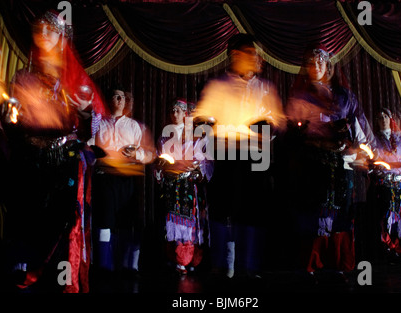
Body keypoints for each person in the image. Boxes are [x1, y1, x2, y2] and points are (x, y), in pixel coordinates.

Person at [1, 10, 105, 293]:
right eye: (40, 30)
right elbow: (12, 123)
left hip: (62, 163)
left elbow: (92, 126)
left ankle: (55, 280)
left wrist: (83, 114)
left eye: (51, 31)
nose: (43, 36)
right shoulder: (23, 77)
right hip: (28, 159)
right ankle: (23, 275)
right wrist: (9, 116)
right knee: (24, 221)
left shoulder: (75, 81)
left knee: (59, 223)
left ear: (62, 39)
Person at [193, 33, 286, 279]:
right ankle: (221, 266)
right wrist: (208, 124)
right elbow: (201, 118)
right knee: (223, 210)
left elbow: (279, 121)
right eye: (253, 54)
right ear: (236, 55)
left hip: (256, 157)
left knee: (253, 213)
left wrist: (268, 126)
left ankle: (249, 266)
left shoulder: (266, 88)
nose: (259, 60)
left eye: (259, 55)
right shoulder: (218, 86)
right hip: (227, 156)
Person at [285, 44, 374, 282]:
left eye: (320, 62)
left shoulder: (345, 96)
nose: (315, 67)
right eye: (311, 63)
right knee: (313, 211)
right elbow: (292, 133)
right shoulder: (300, 96)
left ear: (328, 67)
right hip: (312, 164)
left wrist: (359, 150)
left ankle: (340, 263)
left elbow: (359, 128)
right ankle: (312, 263)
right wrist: (316, 141)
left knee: (341, 212)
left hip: (341, 164)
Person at [89, 85, 154, 279]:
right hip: (105, 177)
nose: (118, 100)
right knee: (105, 221)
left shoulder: (134, 126)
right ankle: (104, 266)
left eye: (122, 97)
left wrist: (137, 153)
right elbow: (90, 145)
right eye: (115, 96)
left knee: (126, 222)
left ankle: (127, 267)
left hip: (126, 179)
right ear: (109, 101)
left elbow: (150, 153)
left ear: (126, 103)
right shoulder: (100, 123)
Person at [155, 99, 213, 275]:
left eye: (178, 110)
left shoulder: (195, 136)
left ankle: (189, 258)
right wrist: (160, 167)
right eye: (172, 110)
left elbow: (205, 161)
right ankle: (175, 257)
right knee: (172, 222)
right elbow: (159, 160)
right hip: (171, 184)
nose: (174, 114)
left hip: (188, 184)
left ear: (185, 114)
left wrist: (198, 169)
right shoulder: (164, 137)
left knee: (188, 223)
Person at [368, 108, 401, 263]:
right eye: (379, 117)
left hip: (400, 184)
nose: (382, 119)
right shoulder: (373, 140)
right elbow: (370, 162)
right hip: (384, 185)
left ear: (390, 119)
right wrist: (378, 171)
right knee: (386, 217)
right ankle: (388, 249)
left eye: (385, 116)